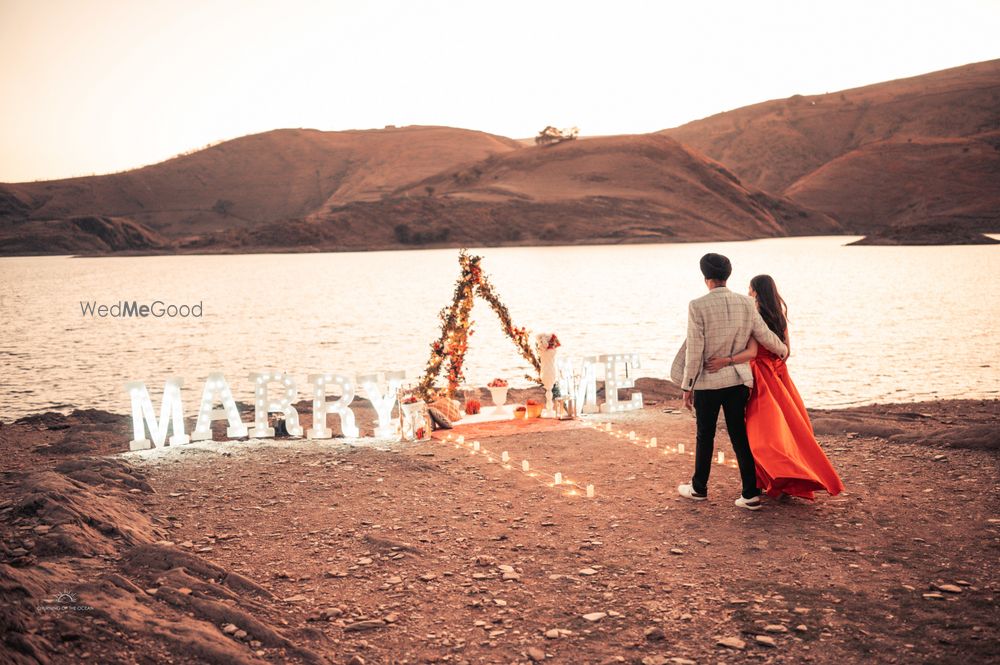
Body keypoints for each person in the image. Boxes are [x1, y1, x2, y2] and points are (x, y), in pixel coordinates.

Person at [704, 275, 844, 499]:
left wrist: (725, 361)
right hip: (778, 375)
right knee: (788, 430)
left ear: (755, 291)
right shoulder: (780, 317)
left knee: (760, 434)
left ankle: (779, 477)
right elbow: (786, 350)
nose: (748, 292)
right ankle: (780, 480)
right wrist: (775, 365)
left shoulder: (755, 316)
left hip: (760, 377)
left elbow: (750, 352)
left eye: (749, 289)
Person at [675, 254, 789, 511]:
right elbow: (764, 335)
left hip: (707, 382)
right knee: (739, 434)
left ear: (705, 278)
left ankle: (699, 489)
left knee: (705, 435)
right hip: (738, 381)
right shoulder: (746, 303)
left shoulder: (697, 305)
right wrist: (782, 350)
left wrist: (687, 386)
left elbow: (696, 349)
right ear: (728, 275)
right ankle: (750, 494)